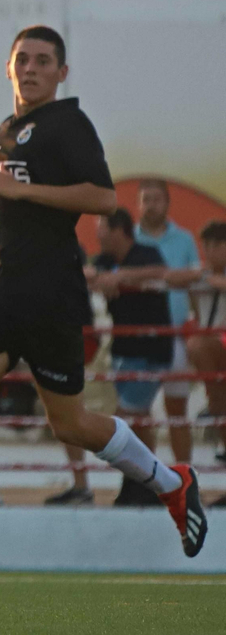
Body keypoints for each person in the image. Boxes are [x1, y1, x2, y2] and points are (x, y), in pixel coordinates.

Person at [0, 25, 206, 575]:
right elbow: (18, 203)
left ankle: (174, 484)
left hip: (51, 294)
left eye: (43, 61)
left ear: (61, 72)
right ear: (8, 68)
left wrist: (18, 192)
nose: (31, 68)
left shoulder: (67, 123)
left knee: (71, 423)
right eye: (22, 59)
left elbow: (102, 197)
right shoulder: (7, 131)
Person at [91, 208, 174, 506]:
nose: (97, 234)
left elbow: (160, 272)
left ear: (118, 230)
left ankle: (156, 483)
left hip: (150, 349)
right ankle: (145, 485)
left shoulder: (145, 252)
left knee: (125, 419)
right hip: (123, 351)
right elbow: (89, 274)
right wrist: (103, 276)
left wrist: (121, 276)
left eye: (100, 227)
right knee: (138, 422)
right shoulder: (105, 260)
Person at [134, 179, 200, 465]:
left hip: (175, 338)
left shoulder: (185, 240)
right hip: (138, 338)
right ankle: (147, 479)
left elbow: (196, 285)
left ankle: (185, 476)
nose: (151, 205)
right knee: (140, 411)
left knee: (177, 411)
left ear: (167, 203)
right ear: (139, 204)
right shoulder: (131, 240)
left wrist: (195, 327)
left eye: (156, 199)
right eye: (146, 199)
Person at [183, 220, 226, 490]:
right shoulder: (200, 276)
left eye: (215, 246)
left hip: (219, 343)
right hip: (215, 350)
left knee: (199, 344)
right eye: (206, 246)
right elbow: (174, 278)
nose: (209, 251)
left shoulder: (207, 277)